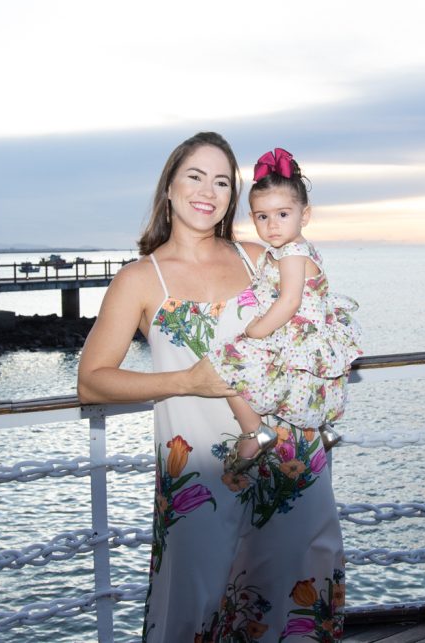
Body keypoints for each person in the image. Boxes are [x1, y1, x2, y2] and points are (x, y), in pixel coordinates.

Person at [78, 132, 345, 641]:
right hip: (201, 476)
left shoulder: (259, 257)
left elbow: (311, 318)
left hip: (290, 460)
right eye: (195, 176)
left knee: (293, 599)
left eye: (222, 181)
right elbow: (91, 382)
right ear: (170, 189)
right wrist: (186, 381)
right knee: (195, 605)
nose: (208, 190)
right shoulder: (138, 279)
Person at [208, 147, 362, 474]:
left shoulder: (291, 252)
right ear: (252, 218)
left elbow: (289, 301)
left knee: (223, 363)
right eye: (263, 217)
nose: (272, 225)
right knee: (308, 384)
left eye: (282, 214)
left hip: (292, 330)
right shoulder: (291, 248)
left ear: (303, 215)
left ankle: (254, 432)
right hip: (304, 331)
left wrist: (256, 330)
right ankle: (324, 427)